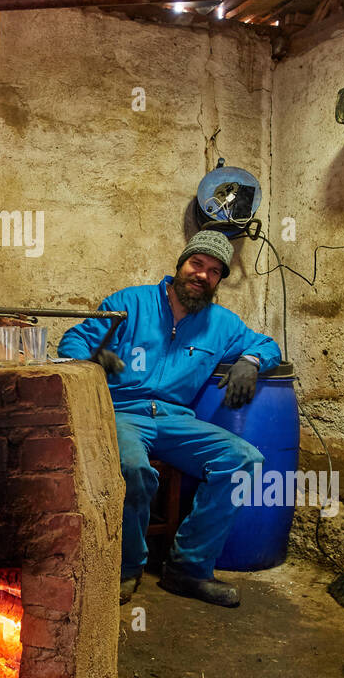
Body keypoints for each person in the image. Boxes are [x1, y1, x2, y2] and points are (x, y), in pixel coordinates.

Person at [57, 229, 281, 608]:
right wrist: (93, 356)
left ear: (218, 281)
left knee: (244, 461)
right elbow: (74, 340)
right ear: (180, 265)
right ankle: (127, 569)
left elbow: (266, 343)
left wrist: (251, 361)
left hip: (176, 419)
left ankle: (188, 570)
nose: (202, 274)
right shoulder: (131, 303)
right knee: (133, 469)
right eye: (197, 263)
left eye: (214, 271)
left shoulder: (222, 323)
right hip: (123, 413)